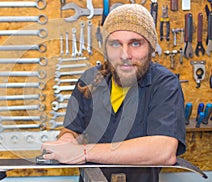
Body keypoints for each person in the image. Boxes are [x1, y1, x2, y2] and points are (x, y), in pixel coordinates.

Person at [41, 4, 186, 182]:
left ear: (150, 47)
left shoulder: (164, 84)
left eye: (135, 43)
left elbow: (164, 150)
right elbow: (71, 130)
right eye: (115, 43)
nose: (125, 54)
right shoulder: (89, 80)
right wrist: (67, 141)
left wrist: (84, 152)